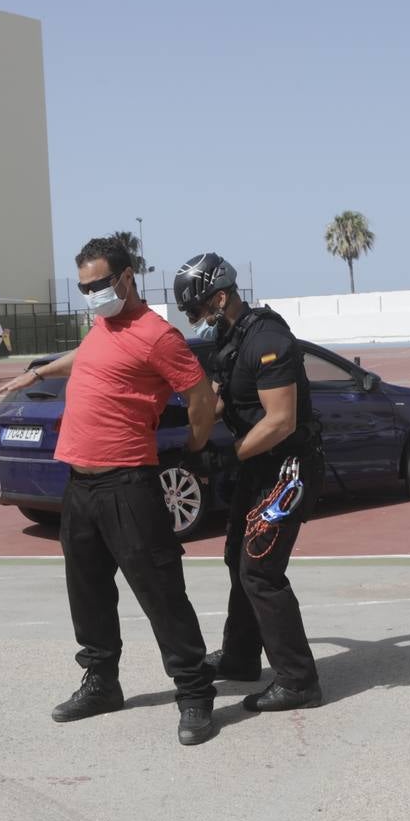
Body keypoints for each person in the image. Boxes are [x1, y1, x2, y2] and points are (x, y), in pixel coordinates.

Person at [0, 235, 219, 746]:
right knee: (88, 592)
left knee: (161, 593)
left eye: (98, 284)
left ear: (125, 278)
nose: (91, 293)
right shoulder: (103, 325)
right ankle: (102, 683)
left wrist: (193, 446)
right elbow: (87, 356)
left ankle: (193, 693)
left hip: (129, 484)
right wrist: (38, 371)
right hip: (80, 484)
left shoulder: (158, 336)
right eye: (84, 287)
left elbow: (200, 393)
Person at [173, 251, 326, 712]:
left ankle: (299, 681)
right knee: (235, 556)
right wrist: (192, 432)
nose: (196, 319)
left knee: (260, 569)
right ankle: (241, 657)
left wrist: (230, 454)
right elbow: (223, 400)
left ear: (220, 298)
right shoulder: (228, 336)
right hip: (258, 467)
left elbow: (280, 420)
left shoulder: (268, 337)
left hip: (287, 469)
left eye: (197, 310)